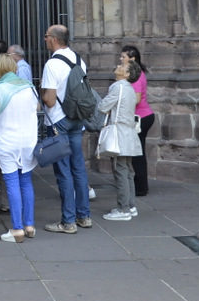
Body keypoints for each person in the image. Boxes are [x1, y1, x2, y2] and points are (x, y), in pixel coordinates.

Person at [39, 24, 92, 234]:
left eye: (46, 36)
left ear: (54, 38)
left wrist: (42, 92)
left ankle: (68, 221)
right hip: (77, 118)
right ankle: (84, 216)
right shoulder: (79, 60)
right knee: (78, 167)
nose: (44, 39)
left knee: (63, 172)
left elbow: (50, 101)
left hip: (58, 121)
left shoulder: (52, 64)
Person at [0, 53, 38, 242]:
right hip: (27, 141)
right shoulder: (29, 87)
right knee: (26, 182)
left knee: (12, 182)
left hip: (7, 141)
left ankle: (17, 229)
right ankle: (29, 225)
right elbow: (37, 108)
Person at [98, 61, 144, 220]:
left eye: (122, 66)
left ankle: (123, 209)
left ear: (126, 74)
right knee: (127, 170)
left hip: (119, 133)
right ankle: (130, 206)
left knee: (120, 170)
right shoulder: (130, 88)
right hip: (128, 132)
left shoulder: (118, 87)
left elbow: (103, 107)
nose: (118, 66)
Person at [121, 44, 154, 197]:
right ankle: (139, 184)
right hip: (142, 116)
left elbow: (137, 98)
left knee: (137, 155)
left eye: (123, 57)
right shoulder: (137, 73)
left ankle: (141, 187)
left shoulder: (136, 75)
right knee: (137, 153)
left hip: (141, 117)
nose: (120, 59)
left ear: (132, 59)